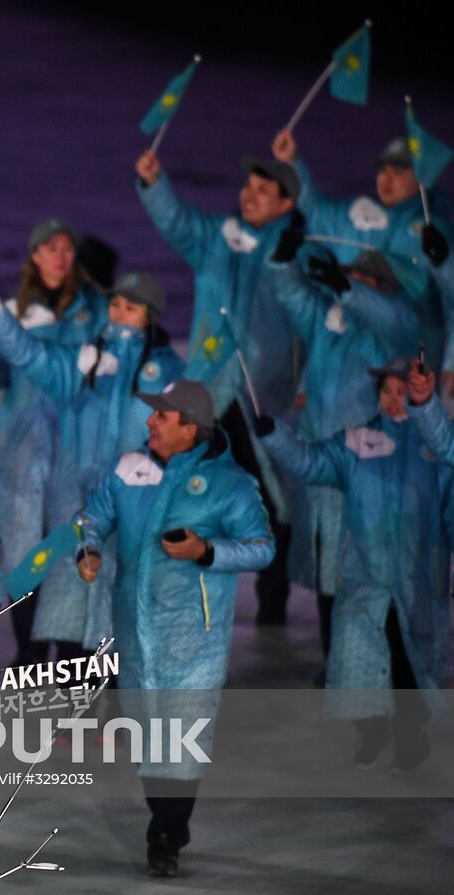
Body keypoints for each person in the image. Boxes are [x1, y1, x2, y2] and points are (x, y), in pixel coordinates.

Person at [74, 380, 274, 877]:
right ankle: (166, 821)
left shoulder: (230, 484)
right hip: (135, 632)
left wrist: (205, 552)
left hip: (194, 636)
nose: (149, 422)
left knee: (182, 738)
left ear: (190, 428)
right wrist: (90, 548)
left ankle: (165, 833)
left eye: (161, 416)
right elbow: (91, 517)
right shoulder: (129, 468)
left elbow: (262, 547)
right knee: (147, 737)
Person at [0, 268, 182, 657]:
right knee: (69, 599)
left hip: (131, 501)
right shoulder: (84, 361)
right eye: (115, 304)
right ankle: (75, 695)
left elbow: (182, 433)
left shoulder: (166, 371)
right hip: (73, 500)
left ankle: (120, 694)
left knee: (121, 601)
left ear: (150, 315)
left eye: (131, 307)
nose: (118, 313)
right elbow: (30, 354)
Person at [258, 359, 452, 774]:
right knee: (362, 658)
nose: (394, 399)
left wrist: (428, 408)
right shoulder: (357, 441)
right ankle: (372, 732)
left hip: (417, 574)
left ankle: (409, 738)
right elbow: (311, 462)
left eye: (403, 391)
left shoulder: (435, 444)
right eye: (387, 391)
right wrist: (275, 437)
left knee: (407, 662)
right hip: (366, 576)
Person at [136, 147, 302, 625]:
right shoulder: (216, 237)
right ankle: (181, 603)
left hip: (265, 394)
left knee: (273, 499)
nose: (249, 195)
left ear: (285, 204)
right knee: (187, 488)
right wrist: (154, 183)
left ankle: (274, 602)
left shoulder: (294, 249)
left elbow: (313, 322)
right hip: (210, 392)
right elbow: (178, 223)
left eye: (263, 191)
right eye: (248, 186)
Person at [265, 239, 421, 677]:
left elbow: (391, 316)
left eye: (364, 279)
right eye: (350, 278)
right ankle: (337, 662)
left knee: (368, 571)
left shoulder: (395, 330)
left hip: (371, 467)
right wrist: (282, 260)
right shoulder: (328, 325)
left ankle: (387, 666)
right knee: (328, 568)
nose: (352, 285)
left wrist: (350, 291)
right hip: (324, 460)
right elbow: (295, 296)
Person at [0, 219, 107, 665]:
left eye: (67, 247)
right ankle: (32, 650)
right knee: (25, 553)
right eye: (50, 247)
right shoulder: (10, 311)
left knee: (70, 548)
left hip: (77, 445)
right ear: (35, 256)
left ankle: (73, 650)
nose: (60, 255)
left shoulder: (96, 309)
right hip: (22, 449)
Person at [273, 129, 454, 388]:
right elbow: (313, 209)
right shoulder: (358, 216)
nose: (386, 179)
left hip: (408, 360)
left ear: (423, 179)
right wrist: (291, 161)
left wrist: (451, 361)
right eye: (383, 170)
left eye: (398, 172)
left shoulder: (434, 231)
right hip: (352, 351)